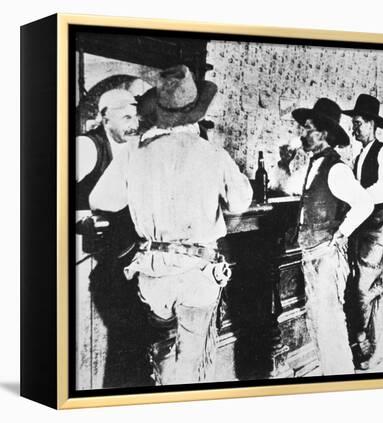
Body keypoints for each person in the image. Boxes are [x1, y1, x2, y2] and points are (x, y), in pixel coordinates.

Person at [124, 65, 253, 385]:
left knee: (163, 349)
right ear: (196, 114)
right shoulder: (212, 154)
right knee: (192, 355)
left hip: (153, 272)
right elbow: (240, 202)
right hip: (197, 273)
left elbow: (105, 200)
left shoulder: (135, 155)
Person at [75, 88, 155, 388]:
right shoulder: (86, 147)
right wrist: (81, 217)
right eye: (125, 117)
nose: (133, 123)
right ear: (104, 118)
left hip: (127, 256)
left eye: (135, 116)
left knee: (134, 338)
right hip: (90, 258)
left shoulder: (137, 148)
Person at [291, 98, 374, 375]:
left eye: (307, 128)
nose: (302, 133)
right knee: (319, 323)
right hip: (312, 256)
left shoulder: (336, 169)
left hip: (326, 258)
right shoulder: (313, 165)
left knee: (330, 326)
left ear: (324, 133)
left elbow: (365, 204)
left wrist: (340, 234)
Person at [342, 94, 383, 369]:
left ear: (372, 124)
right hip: (363, 229)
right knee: (372, 288)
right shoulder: (359, 154)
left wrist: (358, 196)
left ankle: (364, 341)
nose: (354, 129)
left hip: (378, 228)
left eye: (357, 123)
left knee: (364, 288)